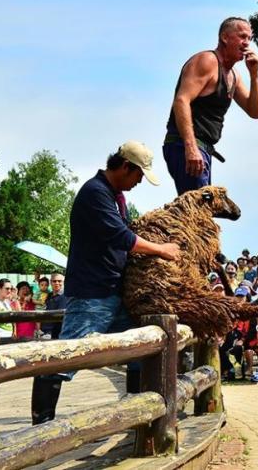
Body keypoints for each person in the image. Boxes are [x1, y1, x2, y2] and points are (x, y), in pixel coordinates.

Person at [32, 141, 179, 425]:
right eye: (139, 175)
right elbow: (121, 237)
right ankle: (41, 426)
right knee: (65, 358)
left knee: (143, 345)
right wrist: (162, 250)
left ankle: (140, 415)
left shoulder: (111, 196)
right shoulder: (95, 194)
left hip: (113, 292)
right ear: (126, 167)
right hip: (92, 294)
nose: (139, 182)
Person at [163, 17, 258, 194]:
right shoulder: (207, 61)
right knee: (199, 213)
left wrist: (254, 74)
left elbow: (255, 111)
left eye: (249, 38)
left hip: (203, 149)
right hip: (186, 145)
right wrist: (191, 147)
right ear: (225, 37)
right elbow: (181, 101)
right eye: (242, 37)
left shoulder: (234, 75)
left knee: (203, 213)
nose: (246, 43)